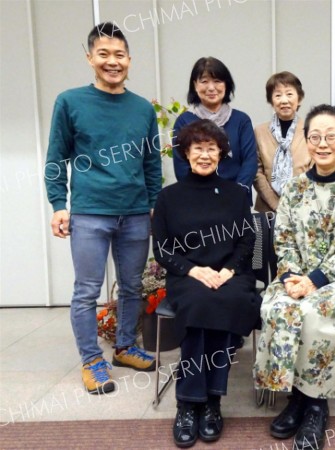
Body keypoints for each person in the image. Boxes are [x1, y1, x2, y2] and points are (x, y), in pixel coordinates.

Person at [254, 104, 335, 450]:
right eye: (315, 136)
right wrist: (292, 277)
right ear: (307, 141)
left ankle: (315, 404)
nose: (323, 143)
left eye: (331, 136)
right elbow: (281, 239)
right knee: (280, 309)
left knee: (313, 314)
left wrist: (315, 280)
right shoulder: (295, 188)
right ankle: (297, 398)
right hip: (296, 276)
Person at [44, 22, 161, 395]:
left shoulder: (142, 108)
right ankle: (92, 360)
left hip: (135, 213)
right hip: (90, 212)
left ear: (130, 59)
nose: (113, 61)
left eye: (120, 55)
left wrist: (155, 206)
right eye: (104, 54)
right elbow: (55, 158)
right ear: (90, 58)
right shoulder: (70, 101)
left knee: (131, 286)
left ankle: (125, 346)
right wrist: (59, 204)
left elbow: (151, 163)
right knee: (86, 290)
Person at [152, 119, 260, 447]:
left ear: (221, 154)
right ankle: (189, 402)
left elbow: (246, 240)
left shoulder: (236, 194)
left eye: (211, 148)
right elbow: (162, 247)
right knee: (200, 302)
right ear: (186, 153)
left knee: (227, 300)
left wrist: (228, 271)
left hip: (231, 274)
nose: (204, 154)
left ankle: (212, 401)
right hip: (188, 276)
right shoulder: (169, 196)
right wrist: (192, 270)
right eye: (197, 148)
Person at [171, 56, 257, 201]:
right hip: (196, 200)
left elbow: (250, 160)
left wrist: (237, 192)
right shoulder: (184, 121)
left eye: (217, 81)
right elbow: (180, 165)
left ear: (226, 85)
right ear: (195, 85)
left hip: (236, 199)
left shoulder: (241, 120)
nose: (211, 88)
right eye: (204, 81)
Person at [254, 71, 312, 212]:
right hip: (268, 209)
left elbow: (315, 167)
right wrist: (276, 204)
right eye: (278, 95)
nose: (284, 100)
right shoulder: (260, 131)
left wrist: (295, 202)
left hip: (304, 206)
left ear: (299, 98)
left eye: (289, 94)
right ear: (271, 100)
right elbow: (256, 171)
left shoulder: (310, 129)